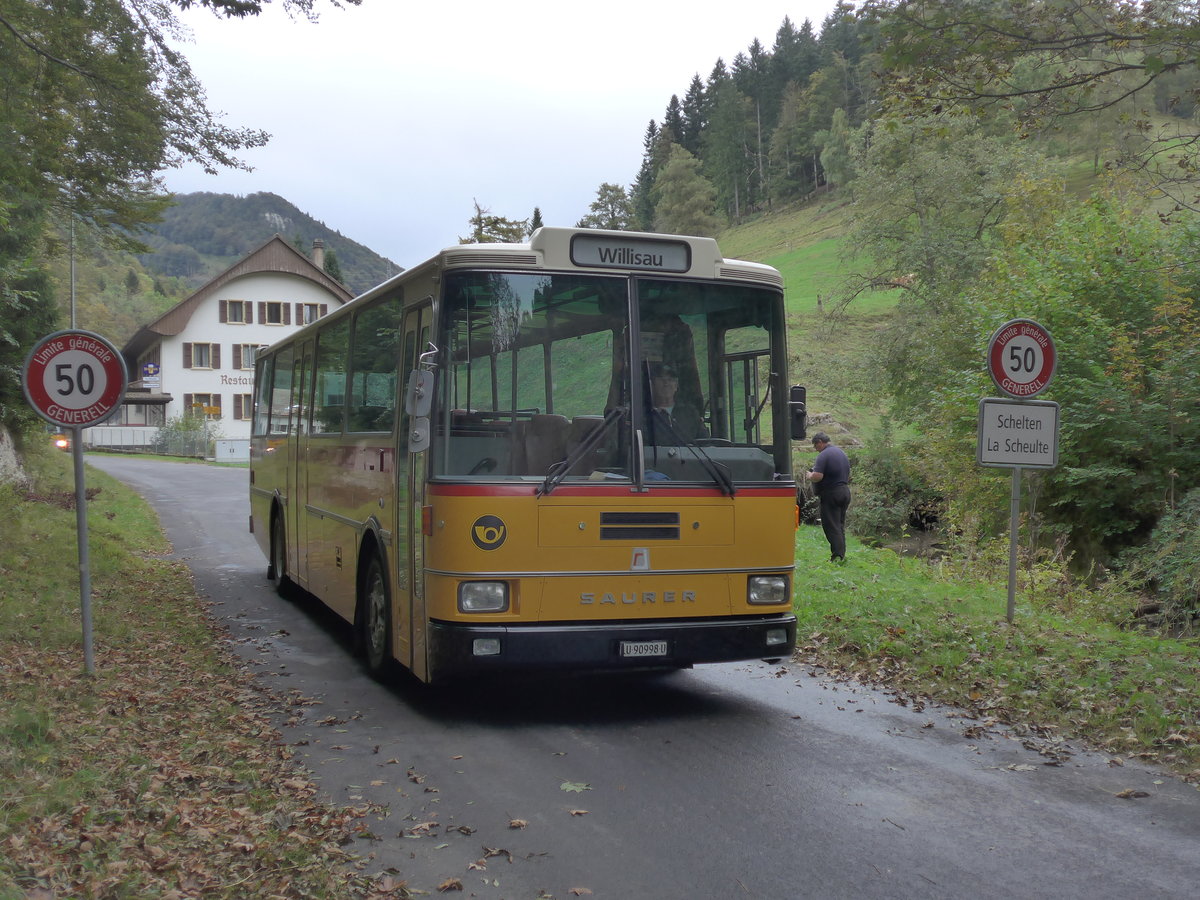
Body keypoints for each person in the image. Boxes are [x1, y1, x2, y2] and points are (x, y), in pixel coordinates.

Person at [806, 431, 851, 562]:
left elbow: (817, 476)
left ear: (820, 442)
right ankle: (841, 555)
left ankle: (837, 556)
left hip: (831, 493)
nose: (816, 449)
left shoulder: (823, 455)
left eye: (815, 446)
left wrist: (809, 475)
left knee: (831, 525)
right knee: (839, 525)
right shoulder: (841, 453)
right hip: (844, 491)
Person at [646, 362, 706, 444]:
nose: (666, 383)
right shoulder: (645, 416)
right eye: (661, 379)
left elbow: (705, 443)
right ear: (652, 385)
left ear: (676, 385)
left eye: (670, 380)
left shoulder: (690, 413)